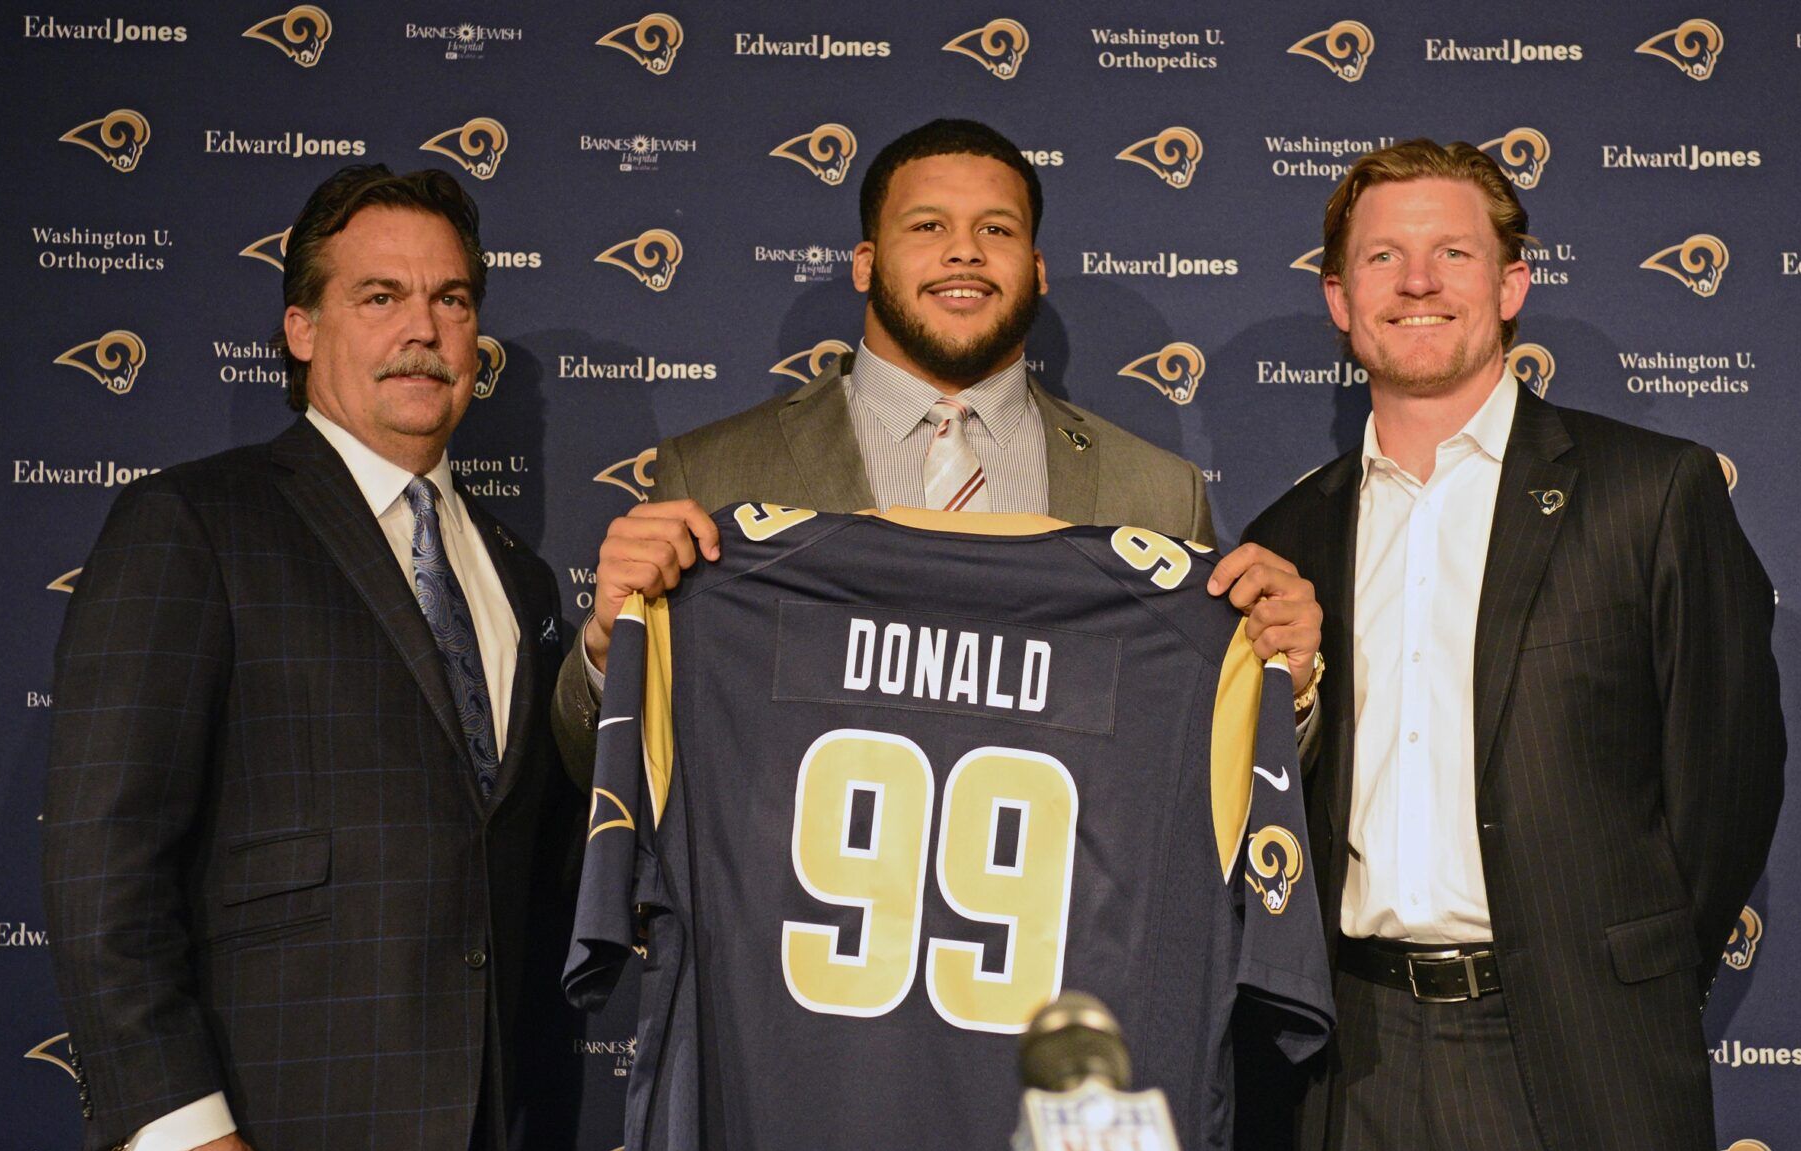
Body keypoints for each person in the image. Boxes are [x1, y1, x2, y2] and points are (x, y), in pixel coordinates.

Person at [1227, 139, 1784, 1151]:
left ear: (1512, 283)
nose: (1417, 281)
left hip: (1583, 1065)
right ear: (1339, 298)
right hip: (1361, 1066)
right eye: (1382, 256)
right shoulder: (1289, 534)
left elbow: (1726, 784)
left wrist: (1611, 980)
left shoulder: (1650, 491)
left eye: (1452, 252)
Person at [40, 165, 576, 1151]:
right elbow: (104, 848)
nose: (423, 330)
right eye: (379, 296)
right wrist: (170, 1122)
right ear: (300, 327)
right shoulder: (195, 522)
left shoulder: (519, 579)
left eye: (453, 300)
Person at [553, 117, 1321, 775]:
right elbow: (617, 774)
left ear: (1038, 269)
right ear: (865, 264)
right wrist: (603, 657)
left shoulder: (1154, 492)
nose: (965, 252)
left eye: (998, 229)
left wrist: (1287, 694)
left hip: (1063, 938)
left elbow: (1201, 766)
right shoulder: (714, 473)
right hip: (791, 938)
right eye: (928, 227)